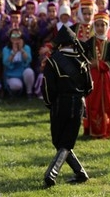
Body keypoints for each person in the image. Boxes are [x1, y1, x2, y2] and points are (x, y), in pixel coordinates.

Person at [42, 25, 92, 187]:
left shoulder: (52, 60)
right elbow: (89, 87)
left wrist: (50, 104)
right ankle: (81, 173)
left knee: (61, 141)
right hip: (78, 105)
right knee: (65, 142)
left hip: (59, 105)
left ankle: (51, 174)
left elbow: (48, 89)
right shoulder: (83, 60)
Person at [82, 12, 110, 139]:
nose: (99, 28)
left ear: (106, 26)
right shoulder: (88, 43)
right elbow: (83, 59)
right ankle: (91, 129)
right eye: (97, 25)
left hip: (105, 78)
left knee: (106, 102)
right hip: (92, 77)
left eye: (102, 25)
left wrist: (99, 64)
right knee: (92, 102)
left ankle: (104, 129)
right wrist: (89, 64)